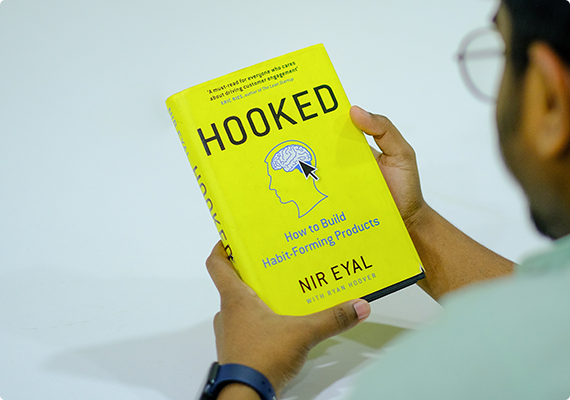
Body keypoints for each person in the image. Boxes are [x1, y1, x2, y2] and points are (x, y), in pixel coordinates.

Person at [201, 0, 570, 398]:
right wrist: (408, 223)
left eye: (501, 52)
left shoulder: (441, 378)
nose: (273, 189)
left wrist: (243, 376)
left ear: (550, 98)